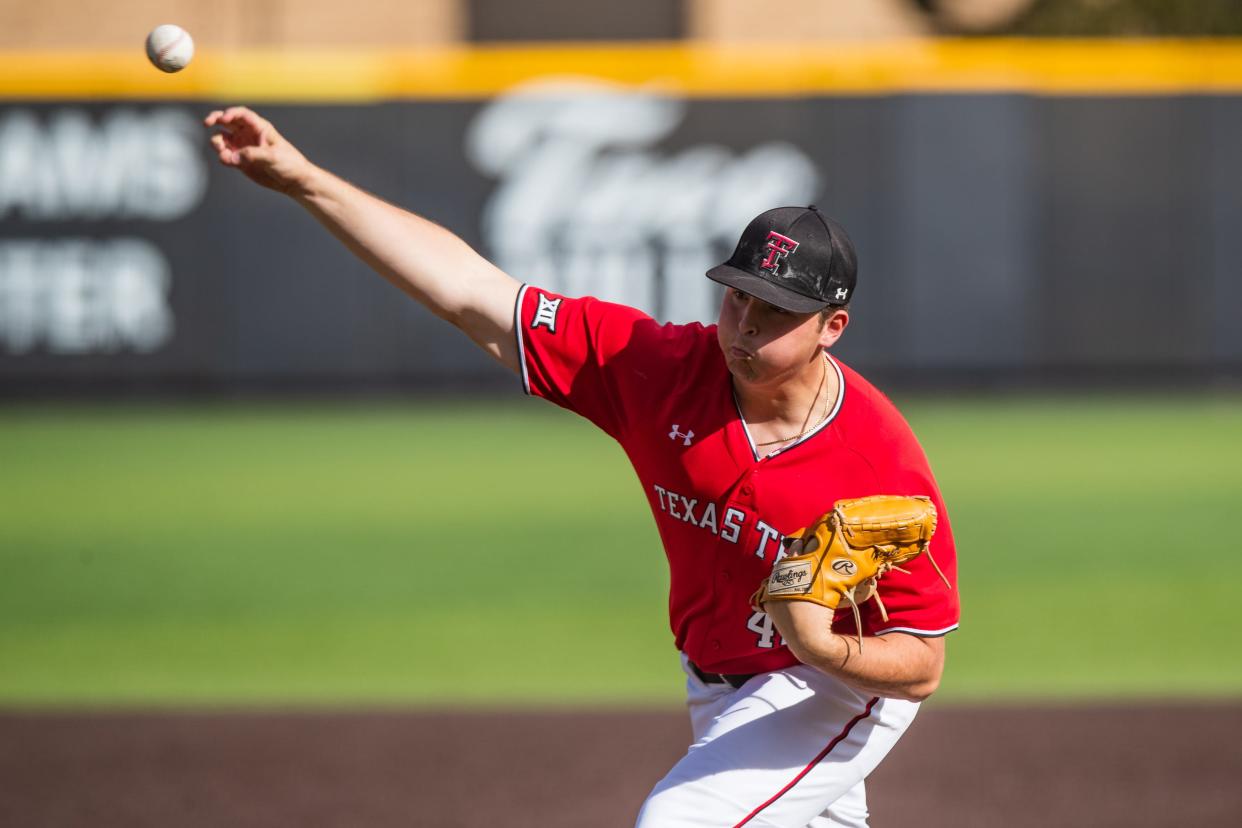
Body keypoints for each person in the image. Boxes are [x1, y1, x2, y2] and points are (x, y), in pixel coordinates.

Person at [205, 106, 960, 828]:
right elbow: (471, 293)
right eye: (738, 299)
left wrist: (822, 646)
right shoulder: (658, 368)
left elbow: (924, 664)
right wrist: (303, 177)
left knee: (678, 819)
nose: (746, 325)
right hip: (714, 677)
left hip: (828, 688)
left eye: (777, 312)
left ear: (833, 328)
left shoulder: (877, 463)